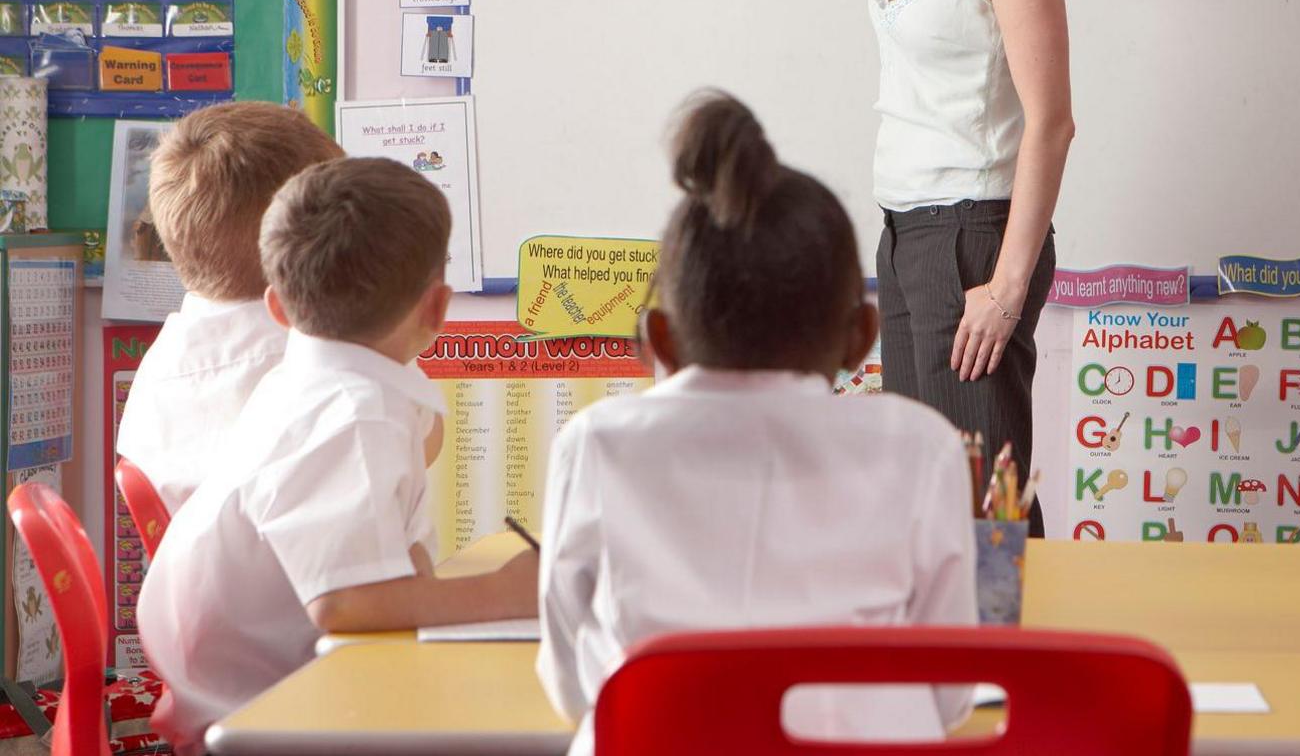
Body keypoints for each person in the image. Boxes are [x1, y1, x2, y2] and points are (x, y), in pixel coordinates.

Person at [682, 0, 1070, 531]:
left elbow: (1052, 124)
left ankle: (1017, 656)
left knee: (981, 507)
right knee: (925, 496)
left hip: (974, 236)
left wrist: (1003, 287)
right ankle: (945, 660)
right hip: (908, 234)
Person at [538, 93, 975, 755]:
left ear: (660, 336)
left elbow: (574, 688)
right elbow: (948, 694)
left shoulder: (597, 443)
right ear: (862, 338)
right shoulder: (920, 446)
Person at [138, 158, 536, 752]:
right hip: (264, 704)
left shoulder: (306, 382)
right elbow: (347, 604)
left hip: (253, 681)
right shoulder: (354, 413)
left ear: (277, 306)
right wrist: (504, 593)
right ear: (438, 309)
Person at [116, 102, 343, 514]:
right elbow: (420, 437)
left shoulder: (159, 366)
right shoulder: (318, 360)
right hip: (321, 576)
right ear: (316, 247)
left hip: (199, 578)